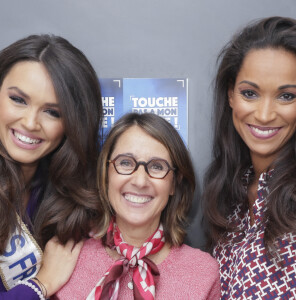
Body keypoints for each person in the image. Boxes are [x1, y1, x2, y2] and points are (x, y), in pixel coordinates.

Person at [55, 112, 220, 300]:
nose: (140, 181)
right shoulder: (67, 258)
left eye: (157, 166)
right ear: (106, 174)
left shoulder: (203, 273)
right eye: (125, 163)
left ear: (174, 183)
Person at [203, 16, 296, 299]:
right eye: (250, 93)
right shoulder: (230, 197)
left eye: (286, 96)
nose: (265, 114)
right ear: (231, 94)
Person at [0, 34, 103, 299]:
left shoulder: (65, 190)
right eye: (18, 100)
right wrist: (41, 284)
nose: (31, 123)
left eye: (52, 112)